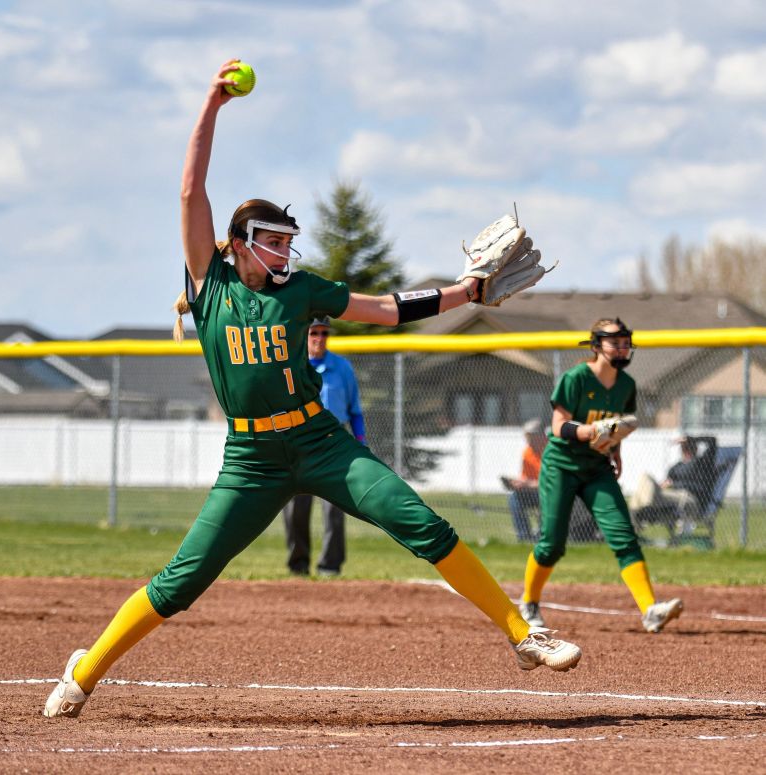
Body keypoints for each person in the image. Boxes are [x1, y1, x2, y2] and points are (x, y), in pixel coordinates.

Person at [43, 59, 581, 719]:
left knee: (421, 523)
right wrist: (211, 105)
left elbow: (385, 309)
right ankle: (84, 671)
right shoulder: (210, 283)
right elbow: (189, 191)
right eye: (272, 241)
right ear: (238, 245)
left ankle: (523, 634)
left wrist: (464, 292)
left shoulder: (300, 290)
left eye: (287, 242)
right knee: (182, 582)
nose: (284, 252)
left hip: (318, 440)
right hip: (251, 460)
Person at [518, 318, 684, 634]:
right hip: (562, 465)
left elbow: (616, 427)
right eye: (614, 342)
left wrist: (615, 450)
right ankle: (529, 603)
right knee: (552, 542)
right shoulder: (576, 378)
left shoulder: (626, 385)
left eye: (625, 343)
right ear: (596, 345)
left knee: (624, 535)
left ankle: (650, 609)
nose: (622, 348)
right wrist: (589, 431)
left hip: (597, 468)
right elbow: (558, 426)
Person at [283, 317, 365, 576]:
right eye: (314, 333)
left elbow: (355, 411)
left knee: (335, 508)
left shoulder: (342, 368)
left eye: (324, 333)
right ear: (304, 336)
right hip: (299, 441)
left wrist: (360, 445)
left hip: (333, 441)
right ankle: (298, 565)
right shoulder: (292, 367)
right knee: (295, 507)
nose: (319, 338)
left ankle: (330, 566)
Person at [630, 435, 718, 535]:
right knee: (645, 477)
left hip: (687, 498)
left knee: (645, 497)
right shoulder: (677, 466)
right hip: (669, 497)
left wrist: (689, 439)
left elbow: (712, 441)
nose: (685, 448)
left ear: (696, 447)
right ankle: (637, 519)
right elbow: (667, 482)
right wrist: (664, 485)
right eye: (684, 446)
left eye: (689, 445)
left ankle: (644, 511)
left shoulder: (702, 462)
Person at [502, 418, 547, 542]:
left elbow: (552, 483)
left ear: (541, 436)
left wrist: (528, 484)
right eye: (527, 436)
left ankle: (542, 536)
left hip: (549, 493)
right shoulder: (527, 452)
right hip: (533, 492)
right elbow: (526, 477)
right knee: (514, 498)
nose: (528, 440)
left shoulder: (551, 451)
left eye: (531, 436)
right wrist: (517, 483)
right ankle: (524, 537)